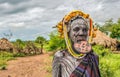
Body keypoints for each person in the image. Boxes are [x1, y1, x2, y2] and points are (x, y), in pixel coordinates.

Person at [52, 10, 101, 77]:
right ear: (68, 33)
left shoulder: (93, 57)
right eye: (76, 29)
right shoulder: (60, 57)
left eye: (85, 30)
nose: (81, 33)